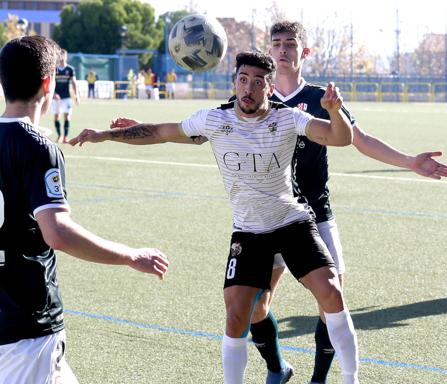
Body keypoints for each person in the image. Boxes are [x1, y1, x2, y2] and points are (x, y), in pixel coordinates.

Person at [70, 51, 361, 384]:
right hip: (249, 232)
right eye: (242, 80)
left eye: (257, 82)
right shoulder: (214, 120)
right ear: (234, 82)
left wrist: (335, 112)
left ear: (268, 86)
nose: (249, 88)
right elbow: (162, 131)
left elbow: (341, 138)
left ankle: (350, 378)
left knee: (332, 293)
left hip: (292, 223)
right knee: (238, 314)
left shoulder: (287, 118)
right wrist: (105, 134)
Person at [238, 20, 447, 384]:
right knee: (256, 307)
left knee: (332, 295)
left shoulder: (323, 99)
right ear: (268, 52)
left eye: (290, 44)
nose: (283, 50)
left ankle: (319, 379)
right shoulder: (256, 96)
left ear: (304, 52)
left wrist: (409, 161)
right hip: (268, 217)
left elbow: (361, 139)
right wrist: (142, 129)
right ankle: (277, 368)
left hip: (315, 215)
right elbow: (203, 128)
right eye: (276, 44)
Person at [0, 36, 169, 384]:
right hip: (26, 327)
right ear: (49, 84)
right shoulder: (36, 147)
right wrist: (129, 255)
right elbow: (57, 232)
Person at [52, 48, 79, 143]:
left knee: (67, 116)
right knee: (56, 117)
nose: (62, 57)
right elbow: (51, 83)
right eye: (61, 55)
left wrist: (76, 96)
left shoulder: (70, 69)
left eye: (64, 55)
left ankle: (65, 137)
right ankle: (59, 135)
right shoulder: (54, 69)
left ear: (66, 57)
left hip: (66, 97)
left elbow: (74, 82)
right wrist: (54, 93)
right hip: (56, 98)